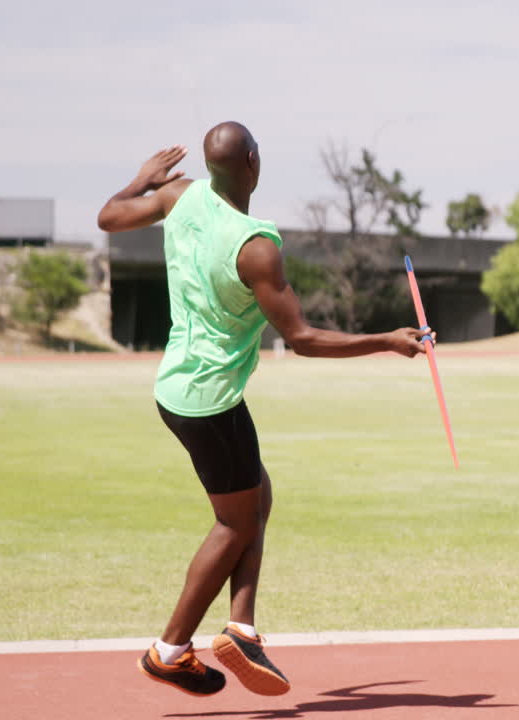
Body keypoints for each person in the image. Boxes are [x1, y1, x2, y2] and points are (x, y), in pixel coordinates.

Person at [97, 121, 433, 697]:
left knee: (257, 495)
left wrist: (140, 181)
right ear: (253, 161)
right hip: (212, 400)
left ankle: (242, 628)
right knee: (234, 523)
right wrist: (388, 340)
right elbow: (300, 337)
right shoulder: (257, 248)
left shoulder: (179, 197)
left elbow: (108, 218)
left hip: (178, 386)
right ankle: (169, 650)